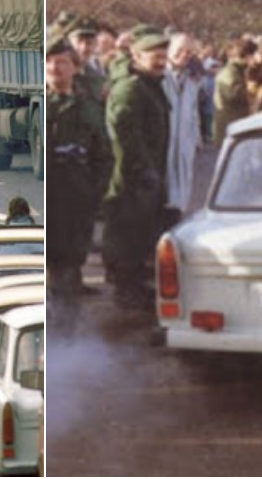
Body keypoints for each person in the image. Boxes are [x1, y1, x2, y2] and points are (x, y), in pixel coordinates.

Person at [103, 24, 171, 311]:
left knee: (142, 232)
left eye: (162, 54)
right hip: (130, 180)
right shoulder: (130, 89)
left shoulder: (150, 85)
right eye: (152, 54)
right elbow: (125, 136)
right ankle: (125, 291)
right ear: (136, 55)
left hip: (147, 176)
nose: (159, 59)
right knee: (128, 233)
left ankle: (133, 284)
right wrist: (144, 170)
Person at [46, 38, 111, 323]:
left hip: (76, 205)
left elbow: (104, 156)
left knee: (70, 269)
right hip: (47, 203)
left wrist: (93, 193)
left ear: (75, 67)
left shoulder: (89, 107)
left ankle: (66, 336)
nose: (54, 67)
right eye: (48, 61)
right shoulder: (41, 103)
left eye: (61, 62)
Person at [162, 33, 204, 214]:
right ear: (169, 50)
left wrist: (195, 138)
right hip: (164, 144)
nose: (184, 55)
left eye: (189, 51)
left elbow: (193, 112)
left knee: (181, 201)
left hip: (184, 145)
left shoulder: (191, 80)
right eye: (180, 50)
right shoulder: (161, 77)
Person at [213, 38, 254, 145]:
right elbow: (235, 95)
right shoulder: (230, 72)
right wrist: (252, 89)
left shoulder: (238, 71)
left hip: (234, 125)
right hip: (229, 127)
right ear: (248, 56)